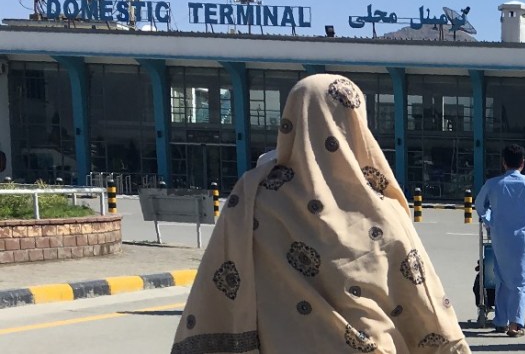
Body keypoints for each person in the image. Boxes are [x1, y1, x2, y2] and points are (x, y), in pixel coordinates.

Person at [171, 74, 470, 354]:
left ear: (290, 120)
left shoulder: (253, 199)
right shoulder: (382, 209)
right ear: (355, 123)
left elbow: (219, 284)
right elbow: (423, 299)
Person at [475, 144, 525, 338]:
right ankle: (516, 323)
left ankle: (500, 320)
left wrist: (489, 220)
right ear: (523, 163)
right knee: (521, 280)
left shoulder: (493, 184)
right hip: (523, 237)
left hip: (499, 237)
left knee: (502, 277)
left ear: (503, 162)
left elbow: (479, 205)